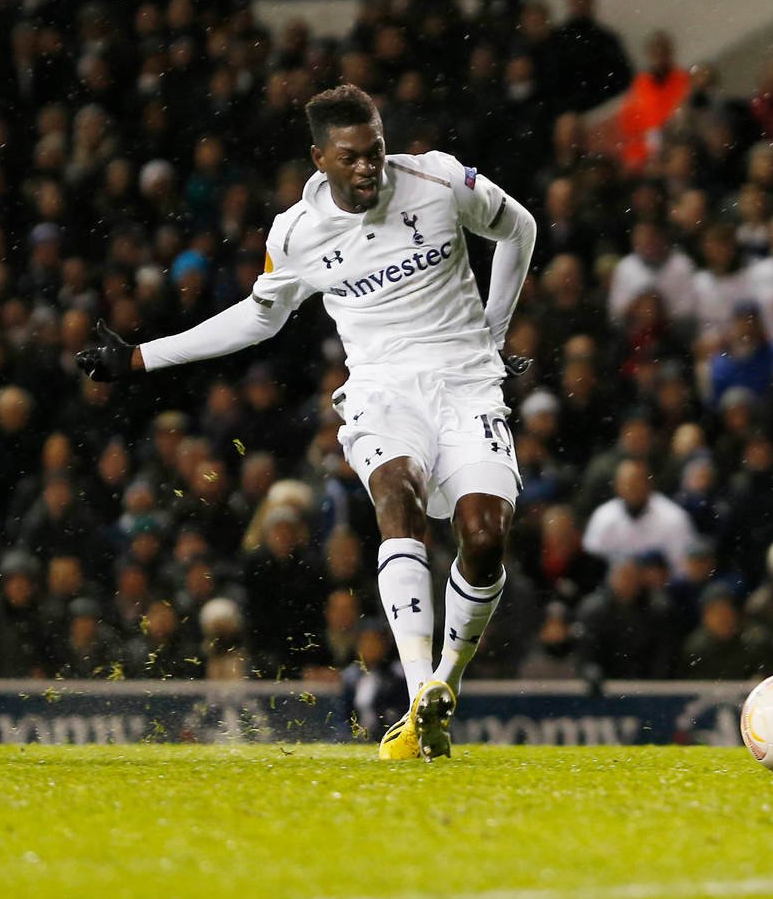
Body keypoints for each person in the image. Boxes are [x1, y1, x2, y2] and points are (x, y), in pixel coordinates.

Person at [75, 84, 538, 761]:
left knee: (486, 536)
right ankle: (419, 694)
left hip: (467, 382)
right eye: (351, 156)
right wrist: (143, 356)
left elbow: (519, 228)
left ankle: (447, 680)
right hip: (382, 391)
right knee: (397, 496)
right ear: (319, 158)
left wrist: (494, 334)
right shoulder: (296, 233)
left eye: (375, 150)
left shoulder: (439, 181)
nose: (368, 166)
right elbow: (257, 318)